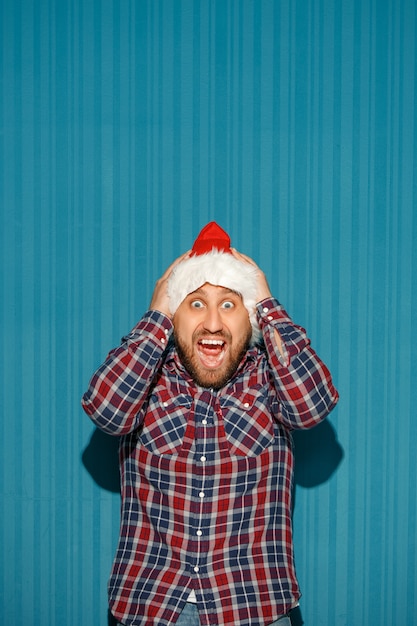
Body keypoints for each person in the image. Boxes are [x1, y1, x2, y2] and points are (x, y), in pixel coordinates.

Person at [82, 222, 339, 626]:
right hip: (149, 607)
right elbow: (106, 410)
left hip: (255, 609)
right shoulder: (148, 380)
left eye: (230, 304)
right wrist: (156, 315)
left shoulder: (271, 379)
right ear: (174, 316)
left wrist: (268, 304)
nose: (214, 323)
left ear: (250, 318)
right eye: (196, 303)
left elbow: (312, 406)